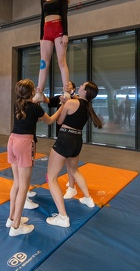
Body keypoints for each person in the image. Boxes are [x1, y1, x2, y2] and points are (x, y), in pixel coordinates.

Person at [7, 79, 65, 237]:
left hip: (12, 140)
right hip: (25, 143)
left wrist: (38, 100)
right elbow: (50, 121)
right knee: (24, 187)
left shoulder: (17, 104)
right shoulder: (33, 107)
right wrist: (62, 107)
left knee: (17, 183)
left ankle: (11, 218)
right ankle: (16, 226)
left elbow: (32, 117)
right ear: (32, 92)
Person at [46, 81, 103, 228]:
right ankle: (88, 198)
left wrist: (63, 105)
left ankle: (63, 217)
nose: (80, 86)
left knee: (51, 178)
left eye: (83, 86)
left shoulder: (72, 103)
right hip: (77, 141)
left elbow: (59, 121)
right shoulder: (87, 107)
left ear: (85, 92)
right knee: (73, 170)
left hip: (65, 139)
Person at [32, 0, 70, 103]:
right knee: (43, 63)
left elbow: (64, 15)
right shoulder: (43, 0)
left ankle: (66, 90)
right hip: (46, 31)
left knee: (61, 61)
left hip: (58, 28)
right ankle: (39, 92)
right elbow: (42, 19)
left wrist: (65, 33)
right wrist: (41, 37)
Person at [43, 81, 78, 199]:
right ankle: (71, 183)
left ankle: (72, 187)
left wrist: (70, 96)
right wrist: (40, 93)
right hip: (61, 134)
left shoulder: (75, 100)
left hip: (71, 134)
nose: (66, 85)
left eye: (69, 85)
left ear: (73, 88)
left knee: (70, 162)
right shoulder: (60, 98)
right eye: (65, 84)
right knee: (67, 161)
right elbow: (47, 100)